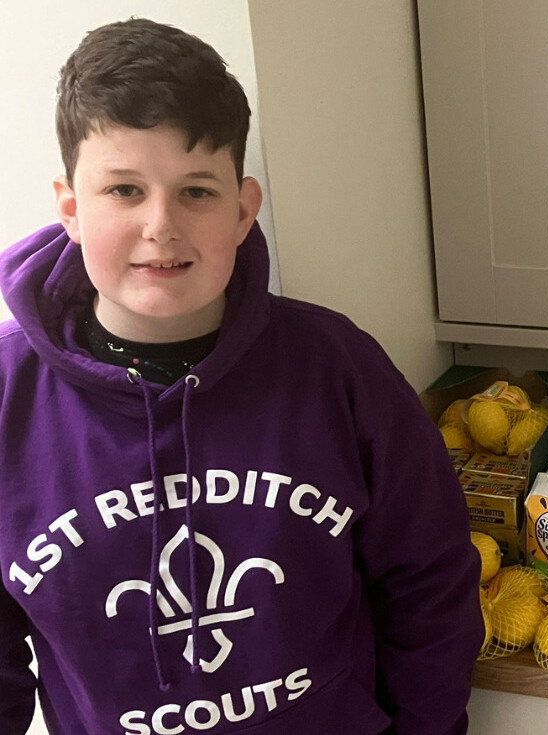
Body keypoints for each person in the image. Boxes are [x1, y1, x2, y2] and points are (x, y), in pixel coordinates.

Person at [0, 18, 483, 734]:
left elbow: (431, 581)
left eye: (196, 191)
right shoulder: (9, 401)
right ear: (71, 207)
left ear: (243, 209)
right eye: (124, 190)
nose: (160, 225)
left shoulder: (340, 371)